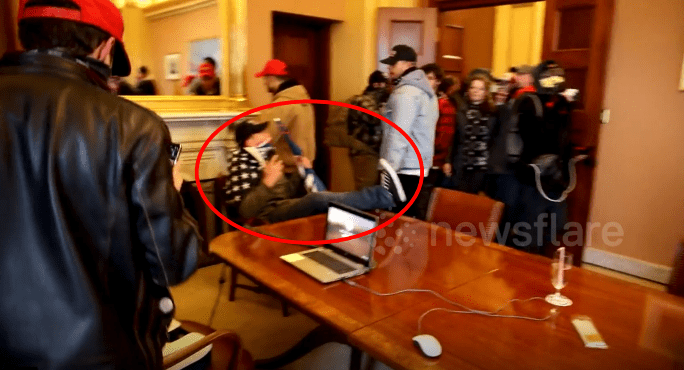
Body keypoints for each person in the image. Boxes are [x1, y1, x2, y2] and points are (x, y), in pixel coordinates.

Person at [0, 0, 201, 368]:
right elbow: (173, 260)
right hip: (100, 354)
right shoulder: (134, 126)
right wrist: (172, 196)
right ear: (106, 47)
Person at [225, 120, 405, 223]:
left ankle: (380, 202)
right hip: (264, 217)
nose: (269, 137)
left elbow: (284, 192)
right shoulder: (241, 162)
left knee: (322, 198)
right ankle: (384, 196)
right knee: (317, 199)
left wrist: (301, 171)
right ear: (248, 140)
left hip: (281, 206)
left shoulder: (266, 158)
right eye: (262, 133)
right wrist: (266, 184)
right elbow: (245, 211)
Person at [379, 44, 438, 218]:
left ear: (406, 63)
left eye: (392, 63)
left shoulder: (406, 92)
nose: (389, 68)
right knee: (410, 216)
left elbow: (399, 134)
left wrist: (389, 171)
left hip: (404, 165)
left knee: (396, 219)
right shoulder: (425, 89)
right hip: (418, 163)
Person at [255, 59, 316, 171]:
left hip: (288, 169)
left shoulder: (282, 105)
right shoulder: (304, 100)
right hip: (304, 165)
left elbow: (264, 137)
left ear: (271, 78)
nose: (264, 83)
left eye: (265, 78)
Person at [444, 72, 497, 194]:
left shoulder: (493, 113)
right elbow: (454, 138)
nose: (476, 91)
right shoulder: (461, 109)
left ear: (486, 92)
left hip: (481, 166)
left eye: (480, 89)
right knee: (457, 197)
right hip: (460, 162)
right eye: (473, 87)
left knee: (473, 201)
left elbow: (494, 141)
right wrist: (448, 161)